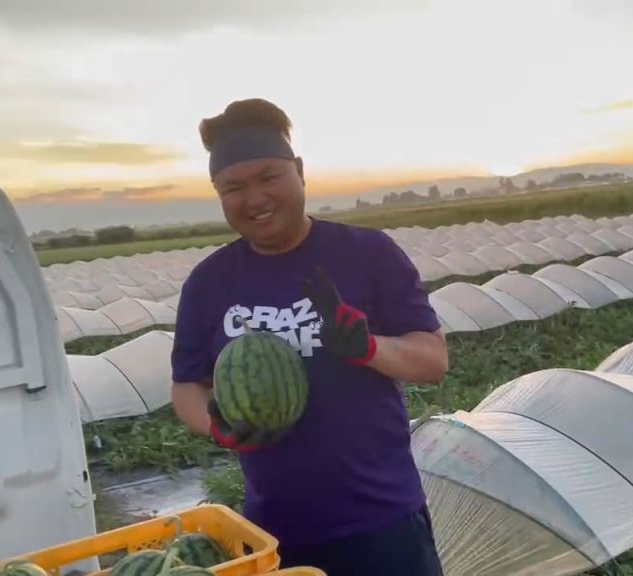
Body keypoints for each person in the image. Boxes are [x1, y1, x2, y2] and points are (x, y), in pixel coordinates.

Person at [170, 97, 449, 576]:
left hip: (382, 523)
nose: (254, 199)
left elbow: (433, 361)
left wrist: (369, 348)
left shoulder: (369, 254)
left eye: (268, 177)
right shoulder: (209, 282)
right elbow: (186, 386)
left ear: (299, 171)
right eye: (233, 187)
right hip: (273, 533)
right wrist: (216, 425)